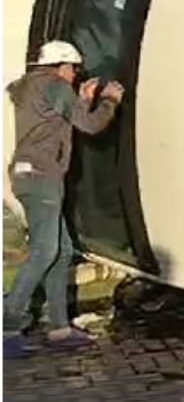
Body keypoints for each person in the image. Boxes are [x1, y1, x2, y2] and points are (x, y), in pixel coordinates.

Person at [3, 41, 125, 357]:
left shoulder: (34, 86)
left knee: (62, 251)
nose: (75, 75)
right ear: (62, 66)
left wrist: (81, 100)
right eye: (74, 68)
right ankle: (8, 325)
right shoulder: (55, 85)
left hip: (32, 175)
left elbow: (60, 121)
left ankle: (59, 328)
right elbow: (91, 125)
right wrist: (109, 101)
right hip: (42, 178)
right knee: (45, 251)